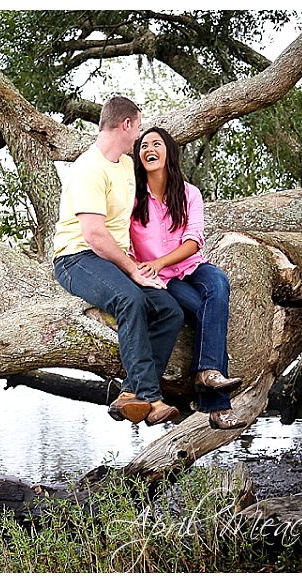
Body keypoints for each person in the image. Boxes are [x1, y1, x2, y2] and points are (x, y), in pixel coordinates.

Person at [53, 96, 184, 427]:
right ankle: (151, 398)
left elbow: (156, 193)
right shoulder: (88, 168)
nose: (139, 136)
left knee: (170, 310)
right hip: (76, 258)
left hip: (114, 259)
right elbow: (94, 235)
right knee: (130, 298)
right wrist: (133, 271)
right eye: (138, 127)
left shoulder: (126, 165)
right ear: (126, 125)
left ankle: (130, 393)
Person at [129, 126, 247, 430]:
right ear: (139, 156)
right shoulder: (132, 197)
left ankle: (206, 371)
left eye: (156, 143)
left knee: (218, 283)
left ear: (169, 151)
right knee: (202, 312)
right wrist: (141, 266)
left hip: (191, 265)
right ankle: (216, 405)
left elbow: (194, 241)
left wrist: (159, 261)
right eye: (143, 146)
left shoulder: (189, 193)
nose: (148, 149)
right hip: (164, 281)